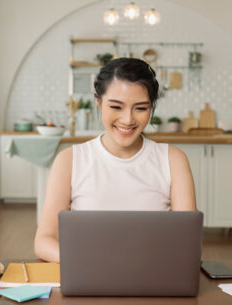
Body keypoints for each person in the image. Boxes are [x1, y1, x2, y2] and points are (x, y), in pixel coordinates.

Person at [34, 57, 196, 262]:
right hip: (87, 275)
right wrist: (88, 260)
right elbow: (44, 240)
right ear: (98, 101)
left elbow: (187, 242)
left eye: (140, 108)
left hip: (152, 276)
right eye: (116, 107)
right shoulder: (69, 160)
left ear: (152, 106)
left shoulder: (174, 160)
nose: (128, 119)